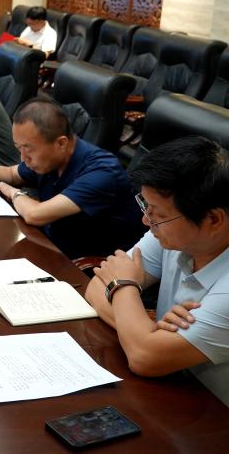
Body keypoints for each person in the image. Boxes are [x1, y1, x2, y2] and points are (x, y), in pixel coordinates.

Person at [85, 136, 229, 406]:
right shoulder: (171, 235)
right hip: (171, 392)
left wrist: (124, 288)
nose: (146, 220)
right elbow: (96, 286)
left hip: (213, 416)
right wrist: (146, 332)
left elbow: (144, 357)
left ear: (213, 219)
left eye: (158, 215)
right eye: (146, 207)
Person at [0, 98, 142, 258]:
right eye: (19, 148)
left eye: (28, 149)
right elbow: (12, 173)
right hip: (50, 244)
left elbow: (35, 214)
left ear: (61, 143)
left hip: (89, 267)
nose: (23, 158)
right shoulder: (50, 158)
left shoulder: (101, 172)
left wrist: (11, 191)